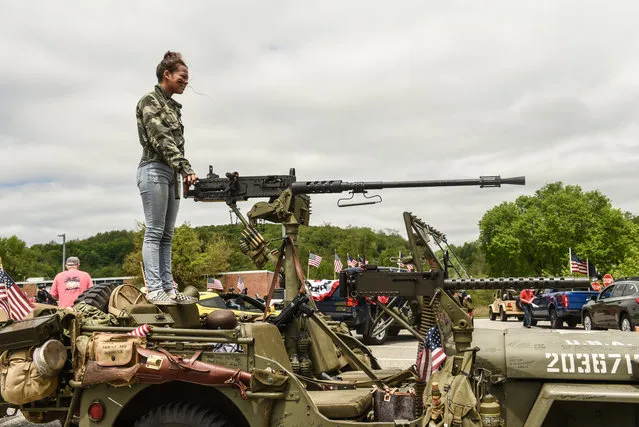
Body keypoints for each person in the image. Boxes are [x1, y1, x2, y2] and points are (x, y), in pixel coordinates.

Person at [136, 51, 198, 306]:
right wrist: (185, 167)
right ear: (167, 74)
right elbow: (161, 138)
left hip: (170, 172)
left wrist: (180, 171)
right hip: (154, 169)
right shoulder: (150, 101)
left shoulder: (172, 106)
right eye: (182, 77)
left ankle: (168, 288)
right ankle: (154, 289)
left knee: (167, 235)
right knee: (154, 231)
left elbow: (176, 144)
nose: (186, 82)